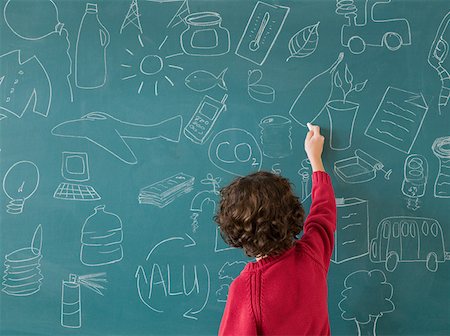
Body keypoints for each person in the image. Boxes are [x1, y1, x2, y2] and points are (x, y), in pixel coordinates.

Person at [215, 123, 336, 335]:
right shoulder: (311, 256)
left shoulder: (246, 290)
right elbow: (323, 213)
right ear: (292, 212)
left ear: (235, 229)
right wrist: (315, 160)